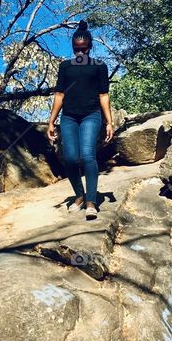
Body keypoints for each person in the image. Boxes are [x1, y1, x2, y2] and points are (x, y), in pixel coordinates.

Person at [47, 20, 114, 220]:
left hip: (91, 116)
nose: (80, 53)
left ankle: (91, 201)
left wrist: (109, 121)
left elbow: (103, 95)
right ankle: (79, 195)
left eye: (84, 49)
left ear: (90, 47)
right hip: (68, 117)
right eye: (77, 49)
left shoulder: (100, 67)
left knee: (87, 156)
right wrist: (51, 121)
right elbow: (60, 95)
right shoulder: (65, 67)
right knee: (68, 158)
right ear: (73, 48)